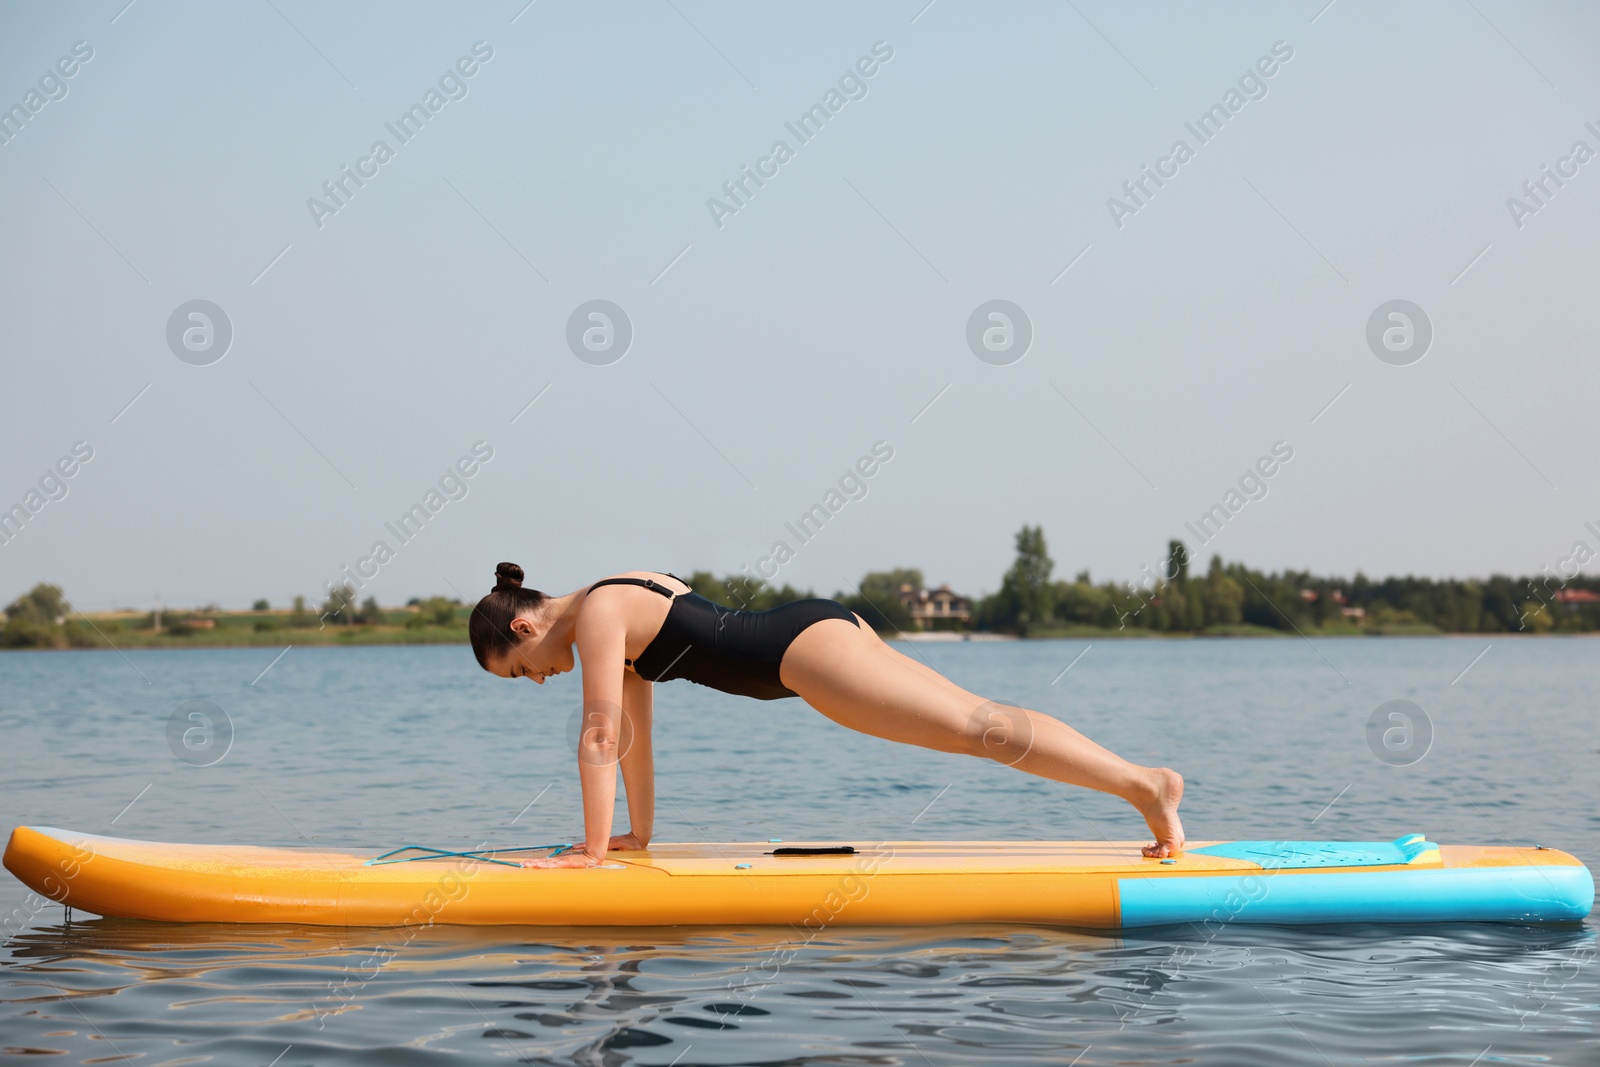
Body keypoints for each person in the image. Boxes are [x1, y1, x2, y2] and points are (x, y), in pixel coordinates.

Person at [470, 563, 1184, 868]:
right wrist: (637, 833)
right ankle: (1142, 785)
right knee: (983, 720)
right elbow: (631, 730)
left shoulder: (598, 613)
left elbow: (597, 732)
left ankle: (1143, 786)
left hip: (805, 657)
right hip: (814, 632)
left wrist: (589, 854)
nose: (536, 681)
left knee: (981, 729)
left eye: (519, 672)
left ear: (524, 631)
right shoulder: (609, 601)